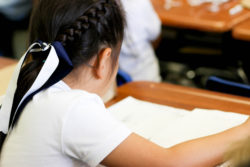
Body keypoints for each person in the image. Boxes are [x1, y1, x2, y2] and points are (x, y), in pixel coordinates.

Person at [0, 0, 250, 166]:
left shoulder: (29, 71)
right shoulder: (69, 109)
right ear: (104, 59)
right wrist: (243, 131)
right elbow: (169, 163)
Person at [119, 0, 162, 82]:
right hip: (145, 76)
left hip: (113, 78)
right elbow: (156, 36)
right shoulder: (140, 3)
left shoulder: (98, 5)